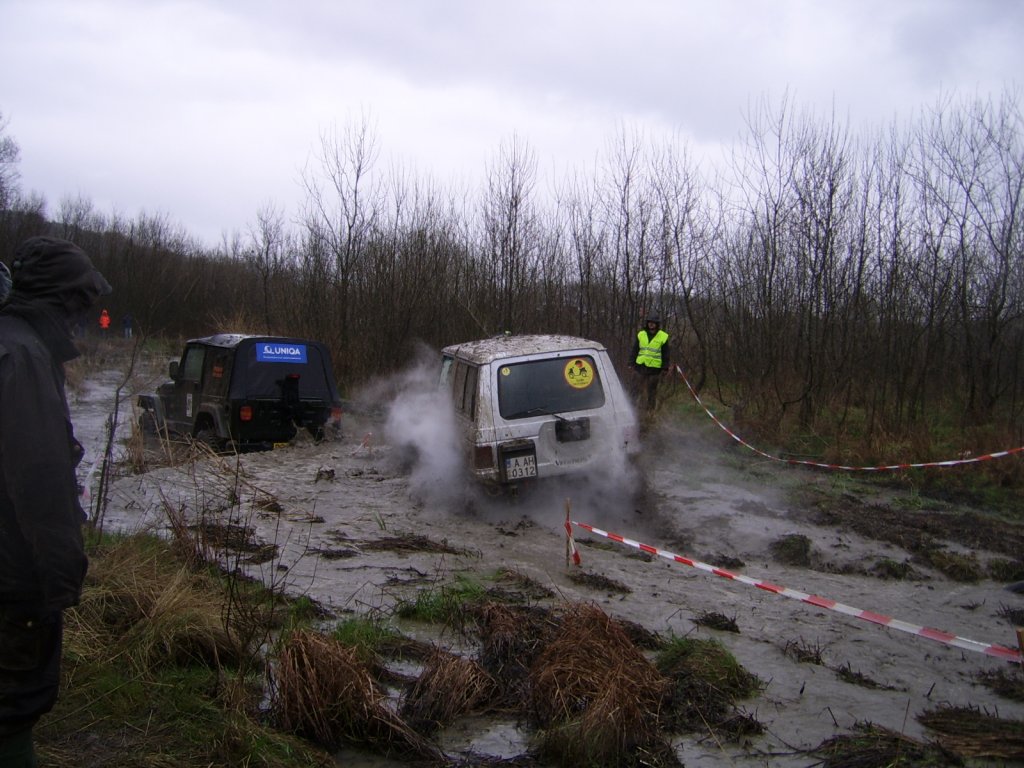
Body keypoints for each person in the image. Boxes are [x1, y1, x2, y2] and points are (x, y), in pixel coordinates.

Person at [0, 237, 112, 767]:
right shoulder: (22, 357)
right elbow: (40, 480)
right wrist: (64, 575)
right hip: (13, 575)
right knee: (13, 706)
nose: (81, 321)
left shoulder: (13, 344)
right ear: (61, 301)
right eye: (79, 306)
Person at [630, 311, 670, 412]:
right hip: (640, 366)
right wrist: (631, 362)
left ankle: (650, 412)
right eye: (649, 322)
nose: (651, 324)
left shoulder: (663, 336)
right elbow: (635, 349)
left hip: (654, 369)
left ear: (657, 324)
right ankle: (632, 409)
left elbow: (665, 353)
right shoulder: (641, 334)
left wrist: (665, 367)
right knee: (635, 389)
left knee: (651, 392)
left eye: (653, 322)